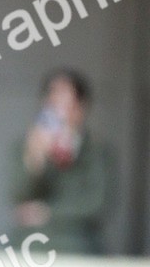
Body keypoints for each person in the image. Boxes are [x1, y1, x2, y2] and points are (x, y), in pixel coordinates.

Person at [8, 68, 115, 255]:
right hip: (30, 241)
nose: (60, 112)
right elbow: (17, 195)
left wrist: (47, 213)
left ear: (81, 107)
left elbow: (97, 203)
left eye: (67, 105)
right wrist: (35, 158)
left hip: (77, 242)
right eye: (53, 104)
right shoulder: (27, 145)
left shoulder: (98, 151)